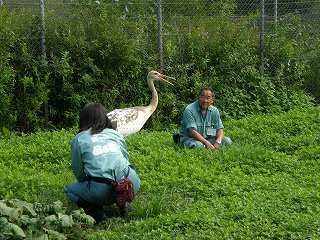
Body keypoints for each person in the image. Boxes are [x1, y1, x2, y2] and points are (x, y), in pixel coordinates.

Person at [64, 103, 140, 223]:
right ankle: (123, 201)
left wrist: (91, 185)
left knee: (69, 189)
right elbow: (126, 158)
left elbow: (79, 173)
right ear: (105, 118)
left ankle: (95, 211)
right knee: (128, 170)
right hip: (131, 183)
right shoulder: (115, 134)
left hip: (100, 190)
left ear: (83, 120)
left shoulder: (79, 139)